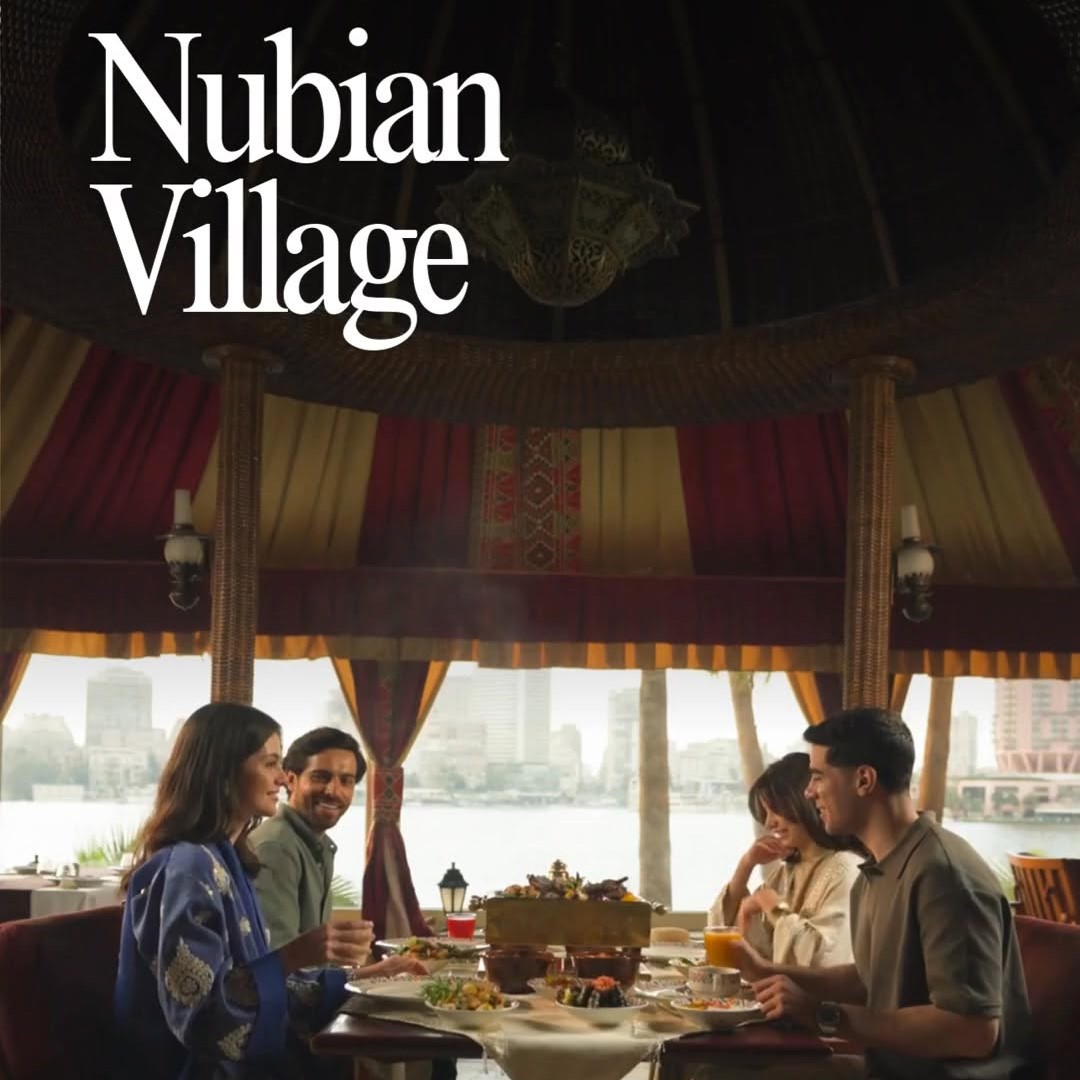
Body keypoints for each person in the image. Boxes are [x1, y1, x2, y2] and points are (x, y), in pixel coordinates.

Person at [736, 708, 1034, 1080]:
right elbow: (867, 981)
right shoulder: (877, 872)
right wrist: (767, 972)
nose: (809, 791)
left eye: (818, 776)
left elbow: (973, 1032)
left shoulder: (943, 875)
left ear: (864, 780)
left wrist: (823, 1014)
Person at [114, 702, 375, 1080]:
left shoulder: (230, 860)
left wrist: (368, 980)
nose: (282, 778)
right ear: (223, 771)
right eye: (270, 764)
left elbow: (263, 986)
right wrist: (296, 954)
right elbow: (205, 1022)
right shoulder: (188, 869)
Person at [250, 726, 422, 978]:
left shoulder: (316, 845)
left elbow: (314, 965)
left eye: (346, 781)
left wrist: (374, 971)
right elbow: (278, 969)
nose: (333, 791)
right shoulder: (277, 848)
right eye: (320, 777)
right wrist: (370, 975)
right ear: (291, 780)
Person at [709, 752, 862, 967]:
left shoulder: (847, 868)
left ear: (805, 801)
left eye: (775, 810)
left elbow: (821, 957)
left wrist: (773, 905)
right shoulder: (787, 872)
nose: (769, 823)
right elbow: (730, 934)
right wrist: (746, 865)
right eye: (765, 814)